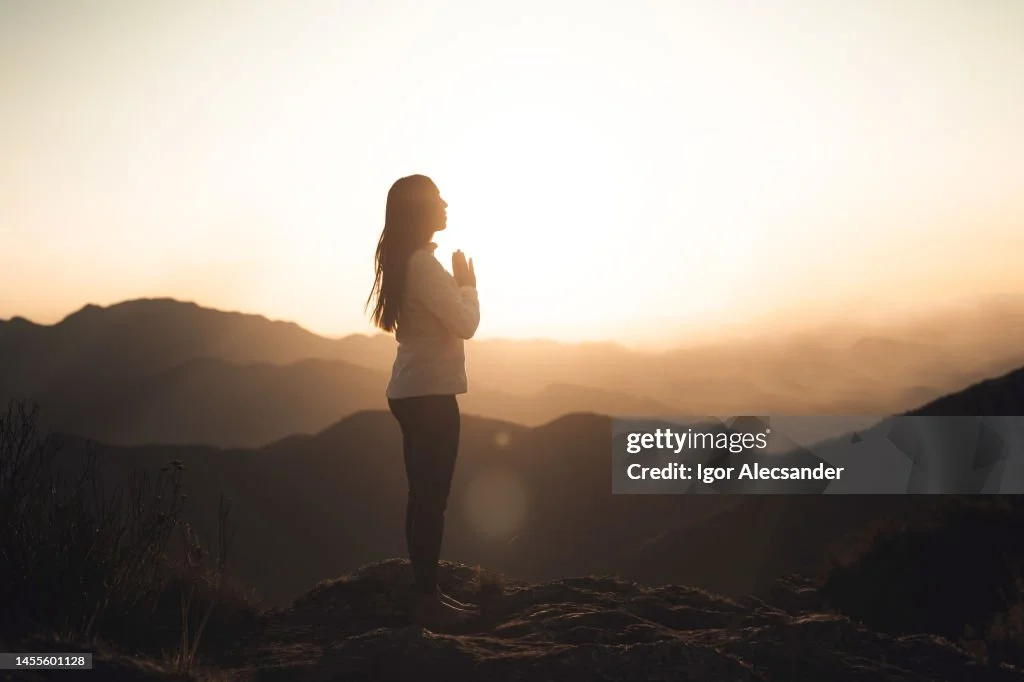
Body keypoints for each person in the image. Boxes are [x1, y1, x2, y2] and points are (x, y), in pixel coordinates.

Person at [365, 174, 481, 628]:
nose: (446, 203)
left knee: (422, 495)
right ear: (419, 210)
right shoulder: (423, 266)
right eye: (437, 199)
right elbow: (466, 324)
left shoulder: (406, 262)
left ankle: (425, 592)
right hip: (430, 394)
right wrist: (468, 285)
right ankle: (427, 600)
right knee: (433, 498)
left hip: (410, 390)